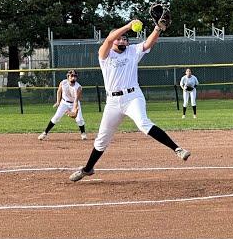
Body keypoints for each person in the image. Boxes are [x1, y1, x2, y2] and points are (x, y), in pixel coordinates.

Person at [69, 19, 191, 182]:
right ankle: (88, 169)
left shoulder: (132, 51)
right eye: (120, 38)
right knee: (102, 139)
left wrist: (158, 29)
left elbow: (148, 44)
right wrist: (128, 25)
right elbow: (109, 40)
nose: (123, 40)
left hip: (133, 97)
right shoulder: (105, 54)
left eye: (125, 38)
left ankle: (177, 149)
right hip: (113, 101)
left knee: (143, 123)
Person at [38, 69, 87, 141]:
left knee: (79, 119)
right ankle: (45, 133)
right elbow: (59, 91)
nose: (73, 78)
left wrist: (74, 110)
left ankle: (83, 133)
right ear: (68, 76)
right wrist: (58, 102)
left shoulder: (78, 87)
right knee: (56, 117)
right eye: (72, 76)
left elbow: (76, 100)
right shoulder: (63, 83)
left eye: (75, 76)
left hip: (74, 103)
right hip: (64, 103)